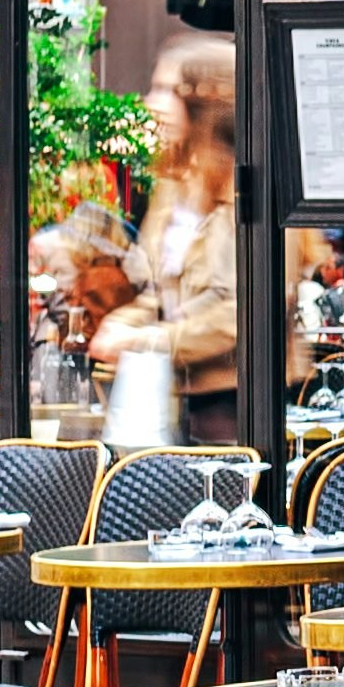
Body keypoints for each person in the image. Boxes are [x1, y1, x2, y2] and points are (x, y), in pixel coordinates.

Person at [95, 37, 244, 440]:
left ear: (205, 99)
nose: (150, 102)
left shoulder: (245, 188)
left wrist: (148, 339)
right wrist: (122, 323)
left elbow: (240, 314)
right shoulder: (175, 185)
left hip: (236, 404)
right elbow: (163, 295)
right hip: (176, 394)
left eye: (166, 90)